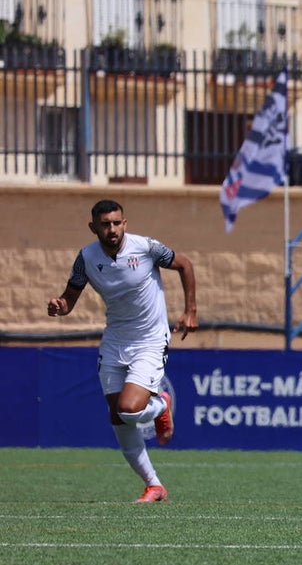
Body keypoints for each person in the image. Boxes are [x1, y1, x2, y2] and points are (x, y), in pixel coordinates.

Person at [47, 199, 198, 503]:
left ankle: (160, 406)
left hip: (150, 340)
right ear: (94, 227)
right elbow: (69, 298)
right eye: (105, 224)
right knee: (117, 417)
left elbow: (184, 264)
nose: (112, 229)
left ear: (125, 224)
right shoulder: (86, 258)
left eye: (117, 223)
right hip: (115, 341)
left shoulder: (146, 248)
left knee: (129, 409)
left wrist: (190, 311)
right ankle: (154, 485)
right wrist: (60, 306)